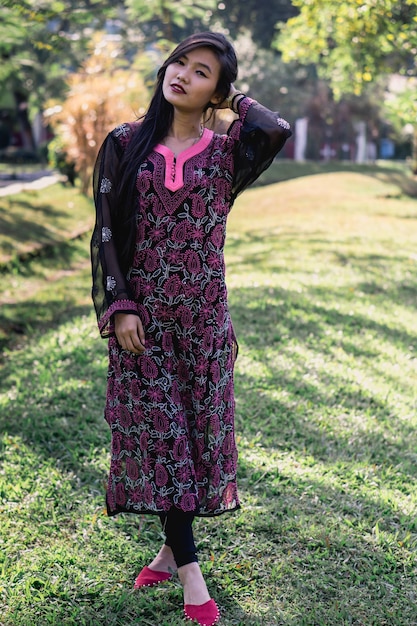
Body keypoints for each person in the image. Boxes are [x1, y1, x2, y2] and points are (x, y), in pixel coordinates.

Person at [91, 31, 291, 626]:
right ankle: (192, 580)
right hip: (144, 325)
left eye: (201, 71)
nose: (181, 73)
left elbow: (275, 130)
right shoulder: (125, 144)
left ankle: (164, 551)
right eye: (179, 61)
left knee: (197, 443)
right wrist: (119, 303)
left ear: (217, 91)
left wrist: (237, 102)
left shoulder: (228, 154)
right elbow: (104, 234)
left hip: (204, 321)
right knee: (164, 440)